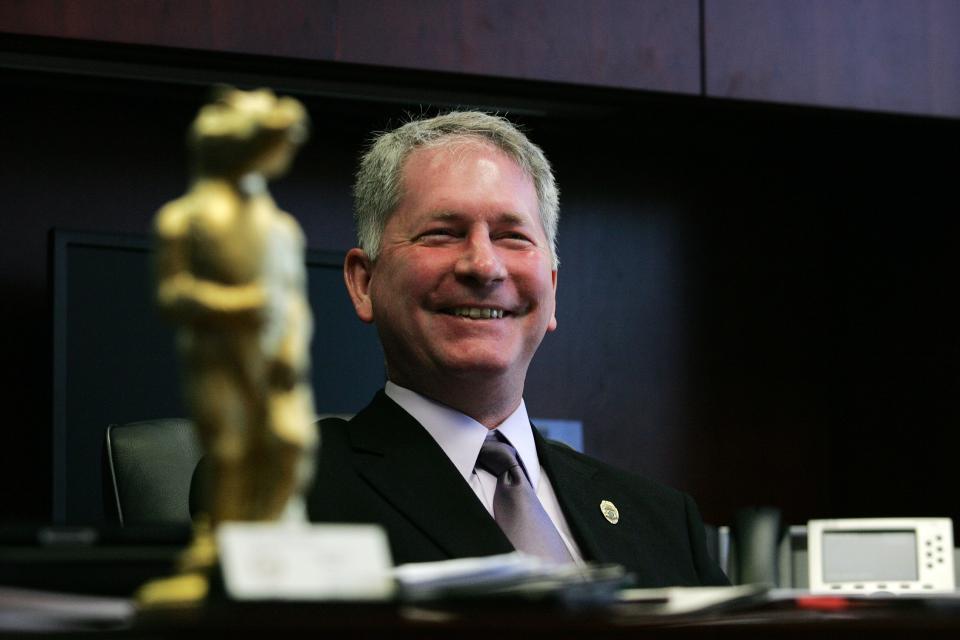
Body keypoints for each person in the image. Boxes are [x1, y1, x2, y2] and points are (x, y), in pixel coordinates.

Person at [306, 111, 728, 586]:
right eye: (442, 233)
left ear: (551, 289)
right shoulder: (286, 490)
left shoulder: (663, 521)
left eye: (512, 236)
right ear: (364, 283)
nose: (484, 266)